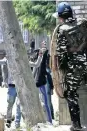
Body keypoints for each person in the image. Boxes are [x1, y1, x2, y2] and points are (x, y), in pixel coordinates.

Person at [51, 2, 87, 130]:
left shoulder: (62, 29)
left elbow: (61, 52)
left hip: (74, 66)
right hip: (85, 62)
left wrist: (61, 68)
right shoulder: (83, 24)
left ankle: (76, 125)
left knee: (71, 94)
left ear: (61, 17)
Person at [0, 44, 21, 129]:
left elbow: (35, 65)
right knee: (10, 104)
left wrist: (40, 56)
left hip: (21, 86)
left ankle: (17, 124)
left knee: (19, 105)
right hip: (12, 86)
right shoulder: (7, 60)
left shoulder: (21, 59)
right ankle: (9, 120)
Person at [29, 48, 52, 124]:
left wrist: (44, 52)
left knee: (44, 104)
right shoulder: (36, 63)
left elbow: (44, 57)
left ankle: (48, 120)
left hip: (40, 84)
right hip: (37, 85)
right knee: (43, 104)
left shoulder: (40, 63)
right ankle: (47, 120)